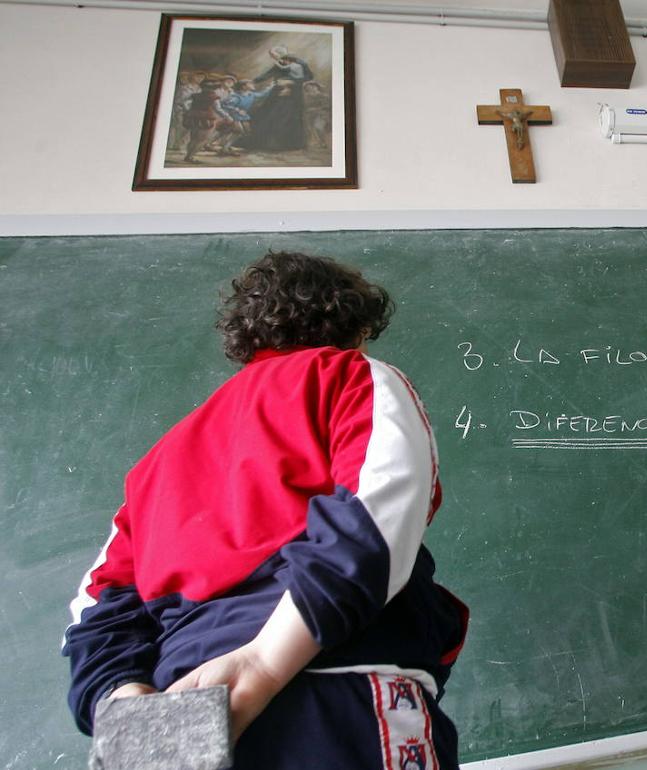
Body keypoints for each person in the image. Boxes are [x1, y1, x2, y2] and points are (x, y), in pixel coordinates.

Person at [63, 251, 468, 769]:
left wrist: (126, 704)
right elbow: (373, 518)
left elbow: (97, 610)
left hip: (182, 726)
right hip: (340, 694)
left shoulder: (158, 459)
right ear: (357, 326)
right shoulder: (350, 375)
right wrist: (261, 664)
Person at [239, 45, 314, 152]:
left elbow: (309, 77)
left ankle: (289, 144)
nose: (274, 58)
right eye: (272, 56)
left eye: (275, 56)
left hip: (293, 94)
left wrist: (292, 82)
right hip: (277, 92)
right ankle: (268, 143)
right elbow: (268, 74)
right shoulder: (280, 63)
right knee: (269, 113)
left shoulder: (300, 64)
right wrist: (252, 81)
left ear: (282, 54)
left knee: (288, 116)